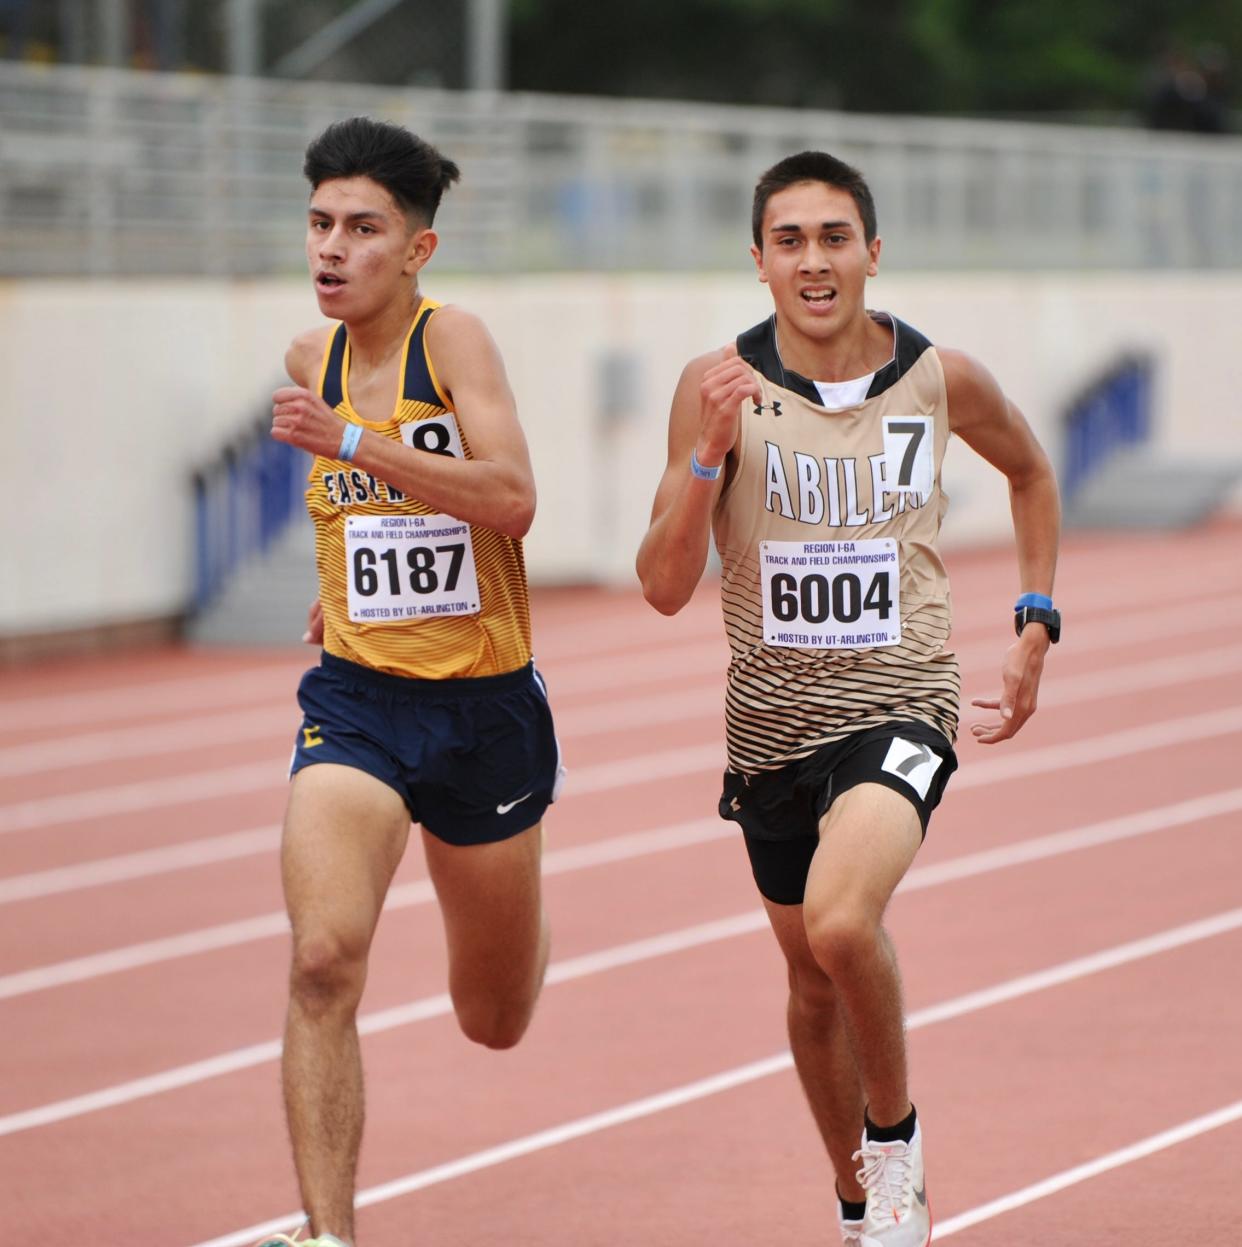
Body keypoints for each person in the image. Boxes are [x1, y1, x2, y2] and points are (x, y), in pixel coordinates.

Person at [636, 151, 1060, 1247]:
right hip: (771, 727)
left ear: (874, 251)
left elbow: (1030, 470)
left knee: (839, 918)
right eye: (791, 240)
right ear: (759, 260)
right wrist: (704, 458)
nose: (814, 261)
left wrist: (1034, 614)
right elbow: (663, 586)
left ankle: (898, 1143)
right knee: (810, 980)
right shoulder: (715, 381)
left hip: (903, 696)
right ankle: (859, 1198)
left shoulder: (938, 376)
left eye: (835, 238)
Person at [259, 117, 562, 1247]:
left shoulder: (455, 343)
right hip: (358, 700)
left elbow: (512, 498)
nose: (333, 248)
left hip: (483, 709)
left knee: (493, 1017)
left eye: (363, 228)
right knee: (323, 956)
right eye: (320, 223)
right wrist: (343, 588)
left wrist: (351, 444)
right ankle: (327, 1232)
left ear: (418, 249)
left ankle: (529, 901)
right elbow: (365, 516)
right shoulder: (311, 356)